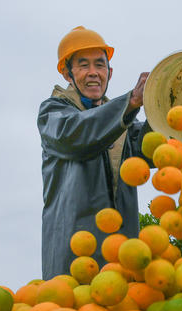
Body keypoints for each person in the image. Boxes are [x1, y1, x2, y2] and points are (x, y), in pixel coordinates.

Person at [38, 26, 151, 279]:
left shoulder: (123, 122)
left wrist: (167, 105)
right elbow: (76, 135)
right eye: (83, 65)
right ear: (68, 73)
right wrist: (131, 102)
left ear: (109, 72)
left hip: (121, 259)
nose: (93, 73)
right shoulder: (54, 113)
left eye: (99, 65)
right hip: (71, 257)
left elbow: (155, 145)